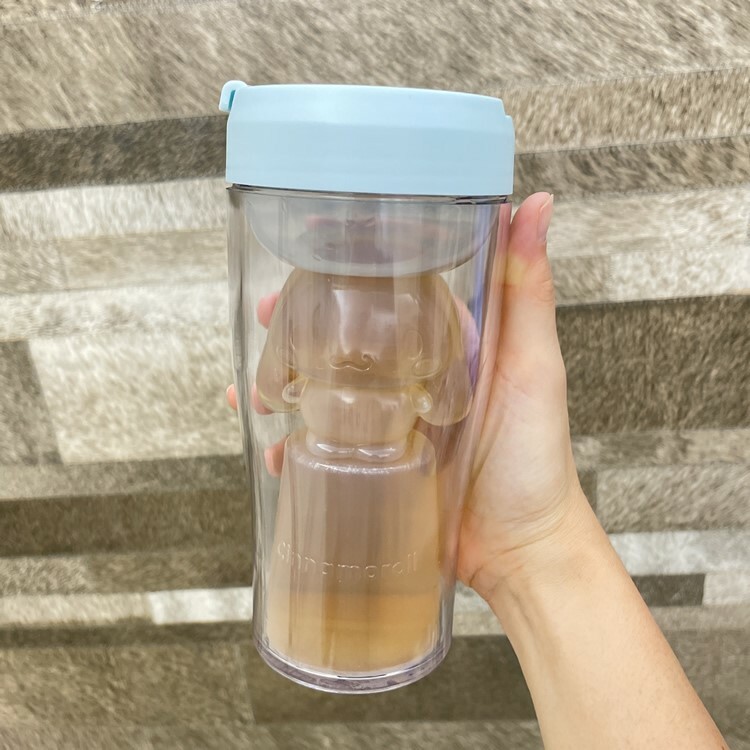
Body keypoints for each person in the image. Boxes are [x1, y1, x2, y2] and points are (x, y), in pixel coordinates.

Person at [226, 192, 728, 749]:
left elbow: (443, 400)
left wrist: (533, 537)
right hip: (333, 457)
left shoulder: (411, 299)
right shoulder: (331, 292)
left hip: (388, 461)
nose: (356, 355)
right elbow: (282, 382)